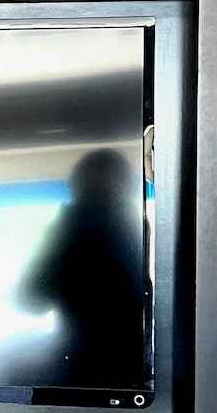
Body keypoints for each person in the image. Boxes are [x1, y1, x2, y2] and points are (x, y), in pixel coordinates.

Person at [15, 149, 146, 388]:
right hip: (128, 369)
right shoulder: (135, 233)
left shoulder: (75, 225)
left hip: (86, 369)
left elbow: (30, 299)